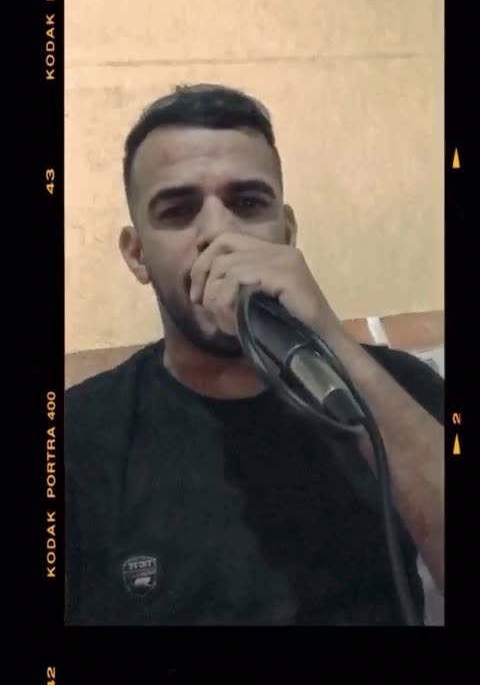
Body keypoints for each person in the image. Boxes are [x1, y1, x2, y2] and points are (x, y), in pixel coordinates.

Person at [65, 83, 444, 626]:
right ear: (137, 253)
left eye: (247, 203)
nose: (218, 233)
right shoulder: (78, 438)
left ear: (287, 233)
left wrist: (330, 339)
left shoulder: (402, 390)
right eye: (178, 210)